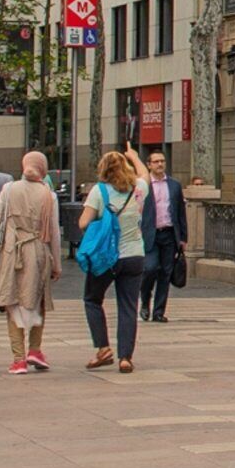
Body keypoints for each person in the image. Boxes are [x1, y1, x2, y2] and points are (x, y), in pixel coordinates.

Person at [0, 152, 61, 373]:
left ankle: (18, 359)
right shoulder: (49, 195)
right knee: (37, 300)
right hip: (38, 250)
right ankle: (35, 349)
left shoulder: (9, 189)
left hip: (12, 250)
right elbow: (55, 233)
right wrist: (57, 263)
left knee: (13, 302)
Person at [81, 147, 152, 372]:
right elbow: (145, 174)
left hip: (107, 258)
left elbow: (83, 223)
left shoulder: (99, 191)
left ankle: (103, 348)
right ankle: (125, 357)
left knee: (92, 299)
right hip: (134, 255)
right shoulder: (138, 188)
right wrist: (134, 156)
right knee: (128, 306)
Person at [141, 149, 186, 325]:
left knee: (165, 273)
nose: (160, 164)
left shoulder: (174, 185)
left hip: (169, 234)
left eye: (162, 161)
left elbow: (180, 212)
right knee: (150, 268)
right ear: (149, 165)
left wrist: (183, 238)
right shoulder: (143, 185)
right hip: (150, 234)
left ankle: (159, 311)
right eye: (156, 161)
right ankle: (145, 300)